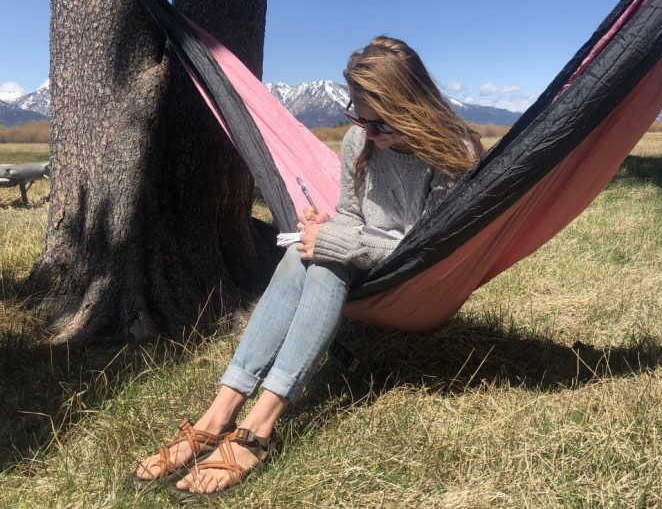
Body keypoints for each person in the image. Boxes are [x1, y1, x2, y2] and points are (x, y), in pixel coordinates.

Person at [132, 35, 484, 500]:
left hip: (411, 277)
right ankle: (220, 414)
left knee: (327, 260)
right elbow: (352, 218)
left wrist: (338, 240)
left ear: (408, 109)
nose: (361, 129)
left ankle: (259, 428)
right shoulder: (361, 139)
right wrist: (326, 226)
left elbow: (426, 247)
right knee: (308, 254)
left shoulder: (453, 154)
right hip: (362, 256)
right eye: (354, 114)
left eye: (373, 121)